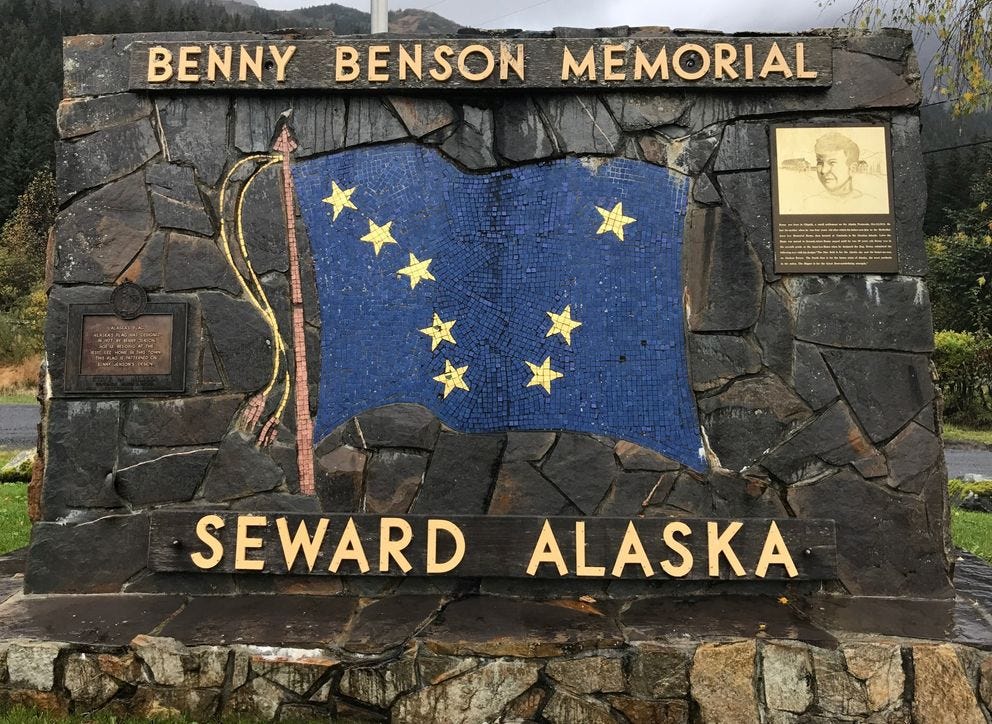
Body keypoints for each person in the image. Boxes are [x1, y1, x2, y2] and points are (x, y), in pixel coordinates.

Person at [802, 131, 882, 214]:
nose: (823, 170)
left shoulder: (871, 203)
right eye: (819, 162)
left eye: (832, 163)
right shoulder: (809, 203)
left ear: (852, 169)